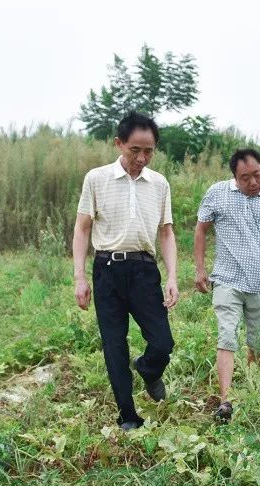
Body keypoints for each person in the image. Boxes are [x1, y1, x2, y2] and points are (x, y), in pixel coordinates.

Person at [72, 111, 179, 431]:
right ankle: (128, 416)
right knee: (114, 344)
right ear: (119, 144)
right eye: (135, 150)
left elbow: (167, 232)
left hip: (145, 273)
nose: (142, 158)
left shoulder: (159, 184)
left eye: (149, 151)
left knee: (163, 343)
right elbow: (82, 229)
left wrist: (173, 276)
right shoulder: (96, 178)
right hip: (108, 270)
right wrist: (80, 276)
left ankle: (148, 369)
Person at [194, 148, 260, 422]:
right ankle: (226, 400)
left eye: (257, 175)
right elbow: (201, 229)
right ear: (234, 177)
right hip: (227, 279)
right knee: (226, 335)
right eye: (245, 177)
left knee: (259, 343)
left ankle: (249, 389)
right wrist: (200, 269)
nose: (252, 182)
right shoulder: (217, 193)